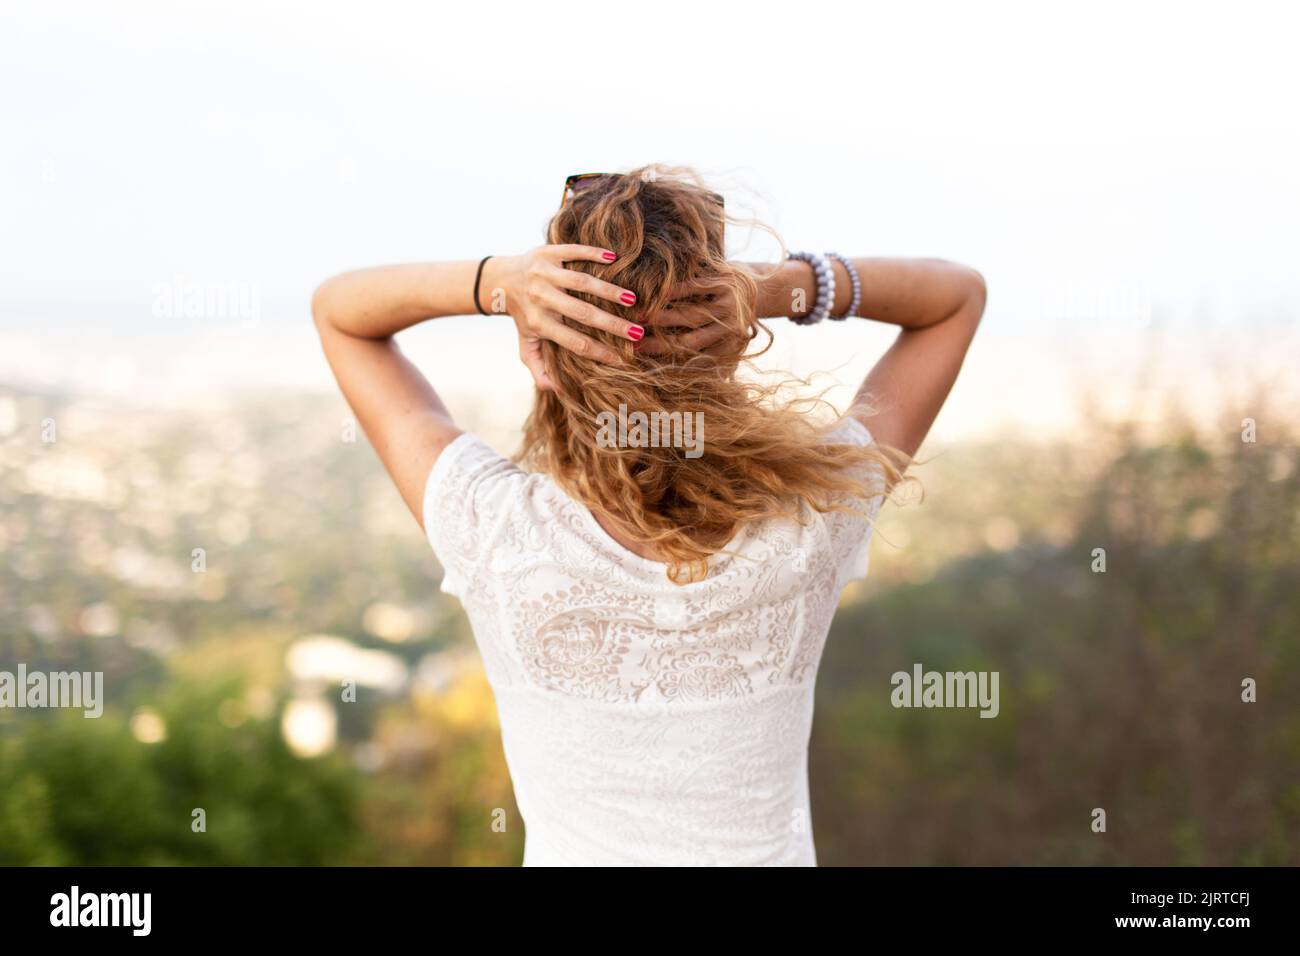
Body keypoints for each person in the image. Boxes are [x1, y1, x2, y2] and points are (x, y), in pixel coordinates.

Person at [311, 166, 986, 865]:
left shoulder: (497, 534)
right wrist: (769, 290)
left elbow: (341, 313)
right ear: (729, 342)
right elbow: (955, 298)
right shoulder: (812, 521)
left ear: (549, 358)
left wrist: (500, 285)